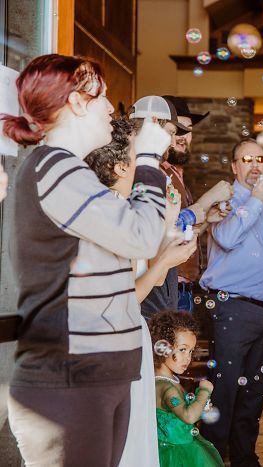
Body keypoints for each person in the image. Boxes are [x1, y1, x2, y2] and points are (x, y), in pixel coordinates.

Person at [1, 54, 170, 466]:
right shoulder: (52, 169)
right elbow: (142, 236)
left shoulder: (70, 172)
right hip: (69, 376)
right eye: (103, 97)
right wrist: (147, 161)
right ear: (77, 102)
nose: (112, 109)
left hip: (96, 371)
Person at [85, 116, 199, 467]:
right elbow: (122, 297)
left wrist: (168, 223)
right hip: (114, 338)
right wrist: (164, 262)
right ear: (121, 166)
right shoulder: (107, 215)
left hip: (132, 336)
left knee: (134, 432)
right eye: (144, 157)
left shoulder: (121, 211)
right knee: (124, 438)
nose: (154, 166)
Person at [199, 138, 263, 465]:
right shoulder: (224, 201)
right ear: (235, 166)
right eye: (246, 160)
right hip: (231, 310)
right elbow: (224, 237)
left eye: (260, 159)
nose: (255, 166)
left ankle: (244, 459)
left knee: (254, 394)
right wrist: (254, 201)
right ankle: (211, 460)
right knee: (223, 393)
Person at [161, 96, 231, 312]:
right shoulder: (155, 172)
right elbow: (162, 230)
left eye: (188, 129)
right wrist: (209, 197)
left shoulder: (176, 174)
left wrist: (205, 220)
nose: (183, 137)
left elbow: (180, 232)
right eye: (177, 130)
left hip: (182, 288)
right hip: (164, 286)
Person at [149, 311, 224, 467]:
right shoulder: (167, 387)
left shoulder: (167, 381)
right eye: (182, 349)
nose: (188, 357)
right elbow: (189, 417)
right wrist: (204, 392)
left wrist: (200, 406)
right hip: (177, 455)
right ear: (163, 348)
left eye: (191, 351)